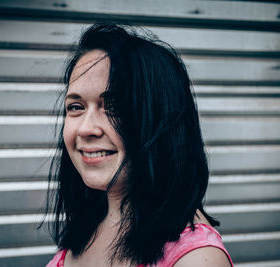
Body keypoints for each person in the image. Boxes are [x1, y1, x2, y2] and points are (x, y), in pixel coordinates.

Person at [44, 23, 233, 267]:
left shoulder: (197, 259)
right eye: (76, 107)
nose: (85, 129)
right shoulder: (91, 223)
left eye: (115, 107)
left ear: (162, 118)